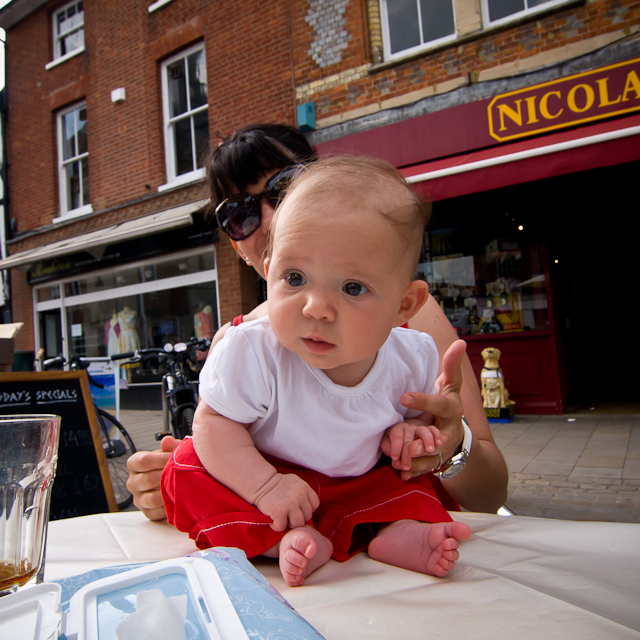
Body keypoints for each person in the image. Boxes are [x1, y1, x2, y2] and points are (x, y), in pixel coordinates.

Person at [126, 123, 508, 522]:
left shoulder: (409, 325)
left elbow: (490, 495)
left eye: (285, 187)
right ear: (237, 245)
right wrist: (167, 485)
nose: (272, 217)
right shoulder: (240, 344)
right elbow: (221, 446)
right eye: (241, 214)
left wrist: (450, 444)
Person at [162, 156, 472, 586]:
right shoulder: (253, 350)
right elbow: (213, 424)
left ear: (404, 306)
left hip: (359, 483)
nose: (316, 308)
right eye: (294, 278)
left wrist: (411, 434)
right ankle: (281, 541)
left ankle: (395, 532)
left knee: (410, 482)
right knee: (186, 468)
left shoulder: (414, 355)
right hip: (269, 485)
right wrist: (266, 487)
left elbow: (414, 418)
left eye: (352, 287)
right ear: (268, 275)